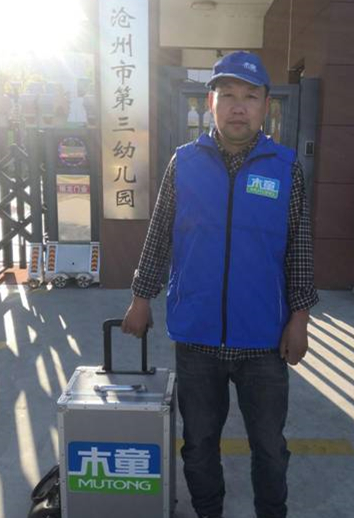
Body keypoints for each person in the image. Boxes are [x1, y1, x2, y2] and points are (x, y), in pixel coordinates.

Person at [122, 51, 318, 518]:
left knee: (269, 445)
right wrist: (140, 298)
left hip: (263, 338)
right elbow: (159, 235)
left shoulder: (284, 167)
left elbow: (299, 246)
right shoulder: (184, 163)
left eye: (250, 96)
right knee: (199, 443)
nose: (238, 107)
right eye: (227, 95)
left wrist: (300, 318)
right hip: (198, 336)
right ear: (210, 102)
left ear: (265, 104)